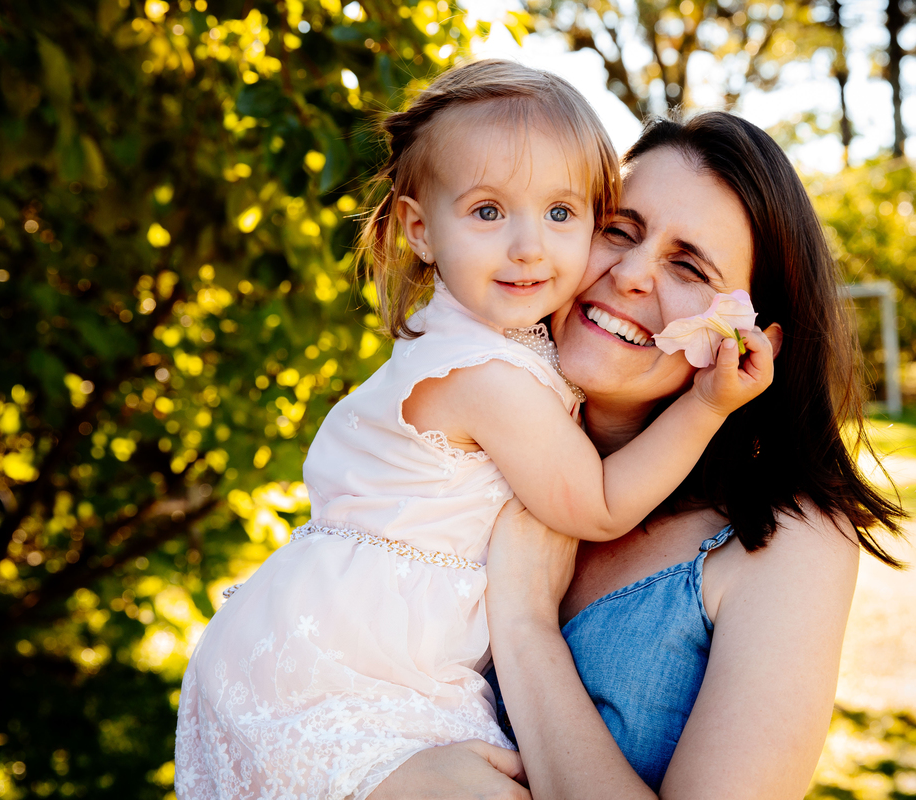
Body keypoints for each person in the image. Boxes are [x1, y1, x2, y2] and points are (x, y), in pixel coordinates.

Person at [174, 63, 776, 800]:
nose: (529, 247)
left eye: (562, 213)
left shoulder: (491, 342)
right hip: (344, 676)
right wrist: (708, 406)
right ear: (419, 230)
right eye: (489, 211)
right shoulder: (489, 374)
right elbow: (599, 504)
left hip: (328, 652)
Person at [370, 113, 905, 799]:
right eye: (618, 228)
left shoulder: (786, 543)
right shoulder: (456, 455)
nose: (630, 274)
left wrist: (527, 625)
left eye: (688, 266)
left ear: (753, 343)